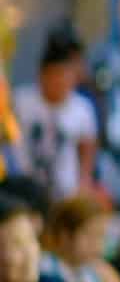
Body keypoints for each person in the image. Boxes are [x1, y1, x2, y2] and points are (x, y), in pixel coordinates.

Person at [14, 29, 97, 201]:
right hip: (24, 186)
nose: (59, 81)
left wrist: (84, 183)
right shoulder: (21, 101)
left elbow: (87, 149)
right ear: (42, 75)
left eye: (64, 76)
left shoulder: (82, 108)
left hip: (65, 190)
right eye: (54, 75)